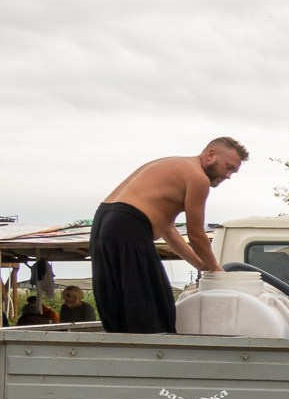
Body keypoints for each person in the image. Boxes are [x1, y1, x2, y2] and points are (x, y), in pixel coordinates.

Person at [91, 138, 246, 334]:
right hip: (129, 226)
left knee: (118, 306)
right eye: (229, 167)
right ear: (211, 155)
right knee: (153, 308)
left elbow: (169, 230)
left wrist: (203, 266)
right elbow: (196, 234)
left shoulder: (171, 164)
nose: (229, 175)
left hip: (103, 224)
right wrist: (216, 269)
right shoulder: (198, 178)